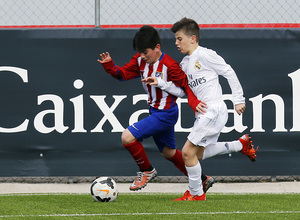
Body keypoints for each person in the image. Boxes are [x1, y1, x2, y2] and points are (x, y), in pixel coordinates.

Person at [146, 18, 258, 201]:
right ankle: (240, 144)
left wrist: (238, 100)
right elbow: (181, 92)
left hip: (213, 110)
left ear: (193, 38)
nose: (176, 43)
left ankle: (196, 193)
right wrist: (160, 83)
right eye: (175, 39)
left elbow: (228, 72)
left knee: (187, 153)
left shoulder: (205, 55)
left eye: (179, 39)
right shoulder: (184, 63)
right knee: (196, 154)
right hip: (204, 114)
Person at [97, 25, 214, 192]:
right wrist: (109, 66)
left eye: (146, 52)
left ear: (157, 48)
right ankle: (202, 179)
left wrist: (193, 103)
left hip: (166, 114)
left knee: (127, 137)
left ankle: (146, 171)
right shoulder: (139, 61)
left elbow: (186, 87)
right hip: (155, 111)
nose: (143, 56)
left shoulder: (170, 66)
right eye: (140, 52)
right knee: (169, 152)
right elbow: (122, 74)